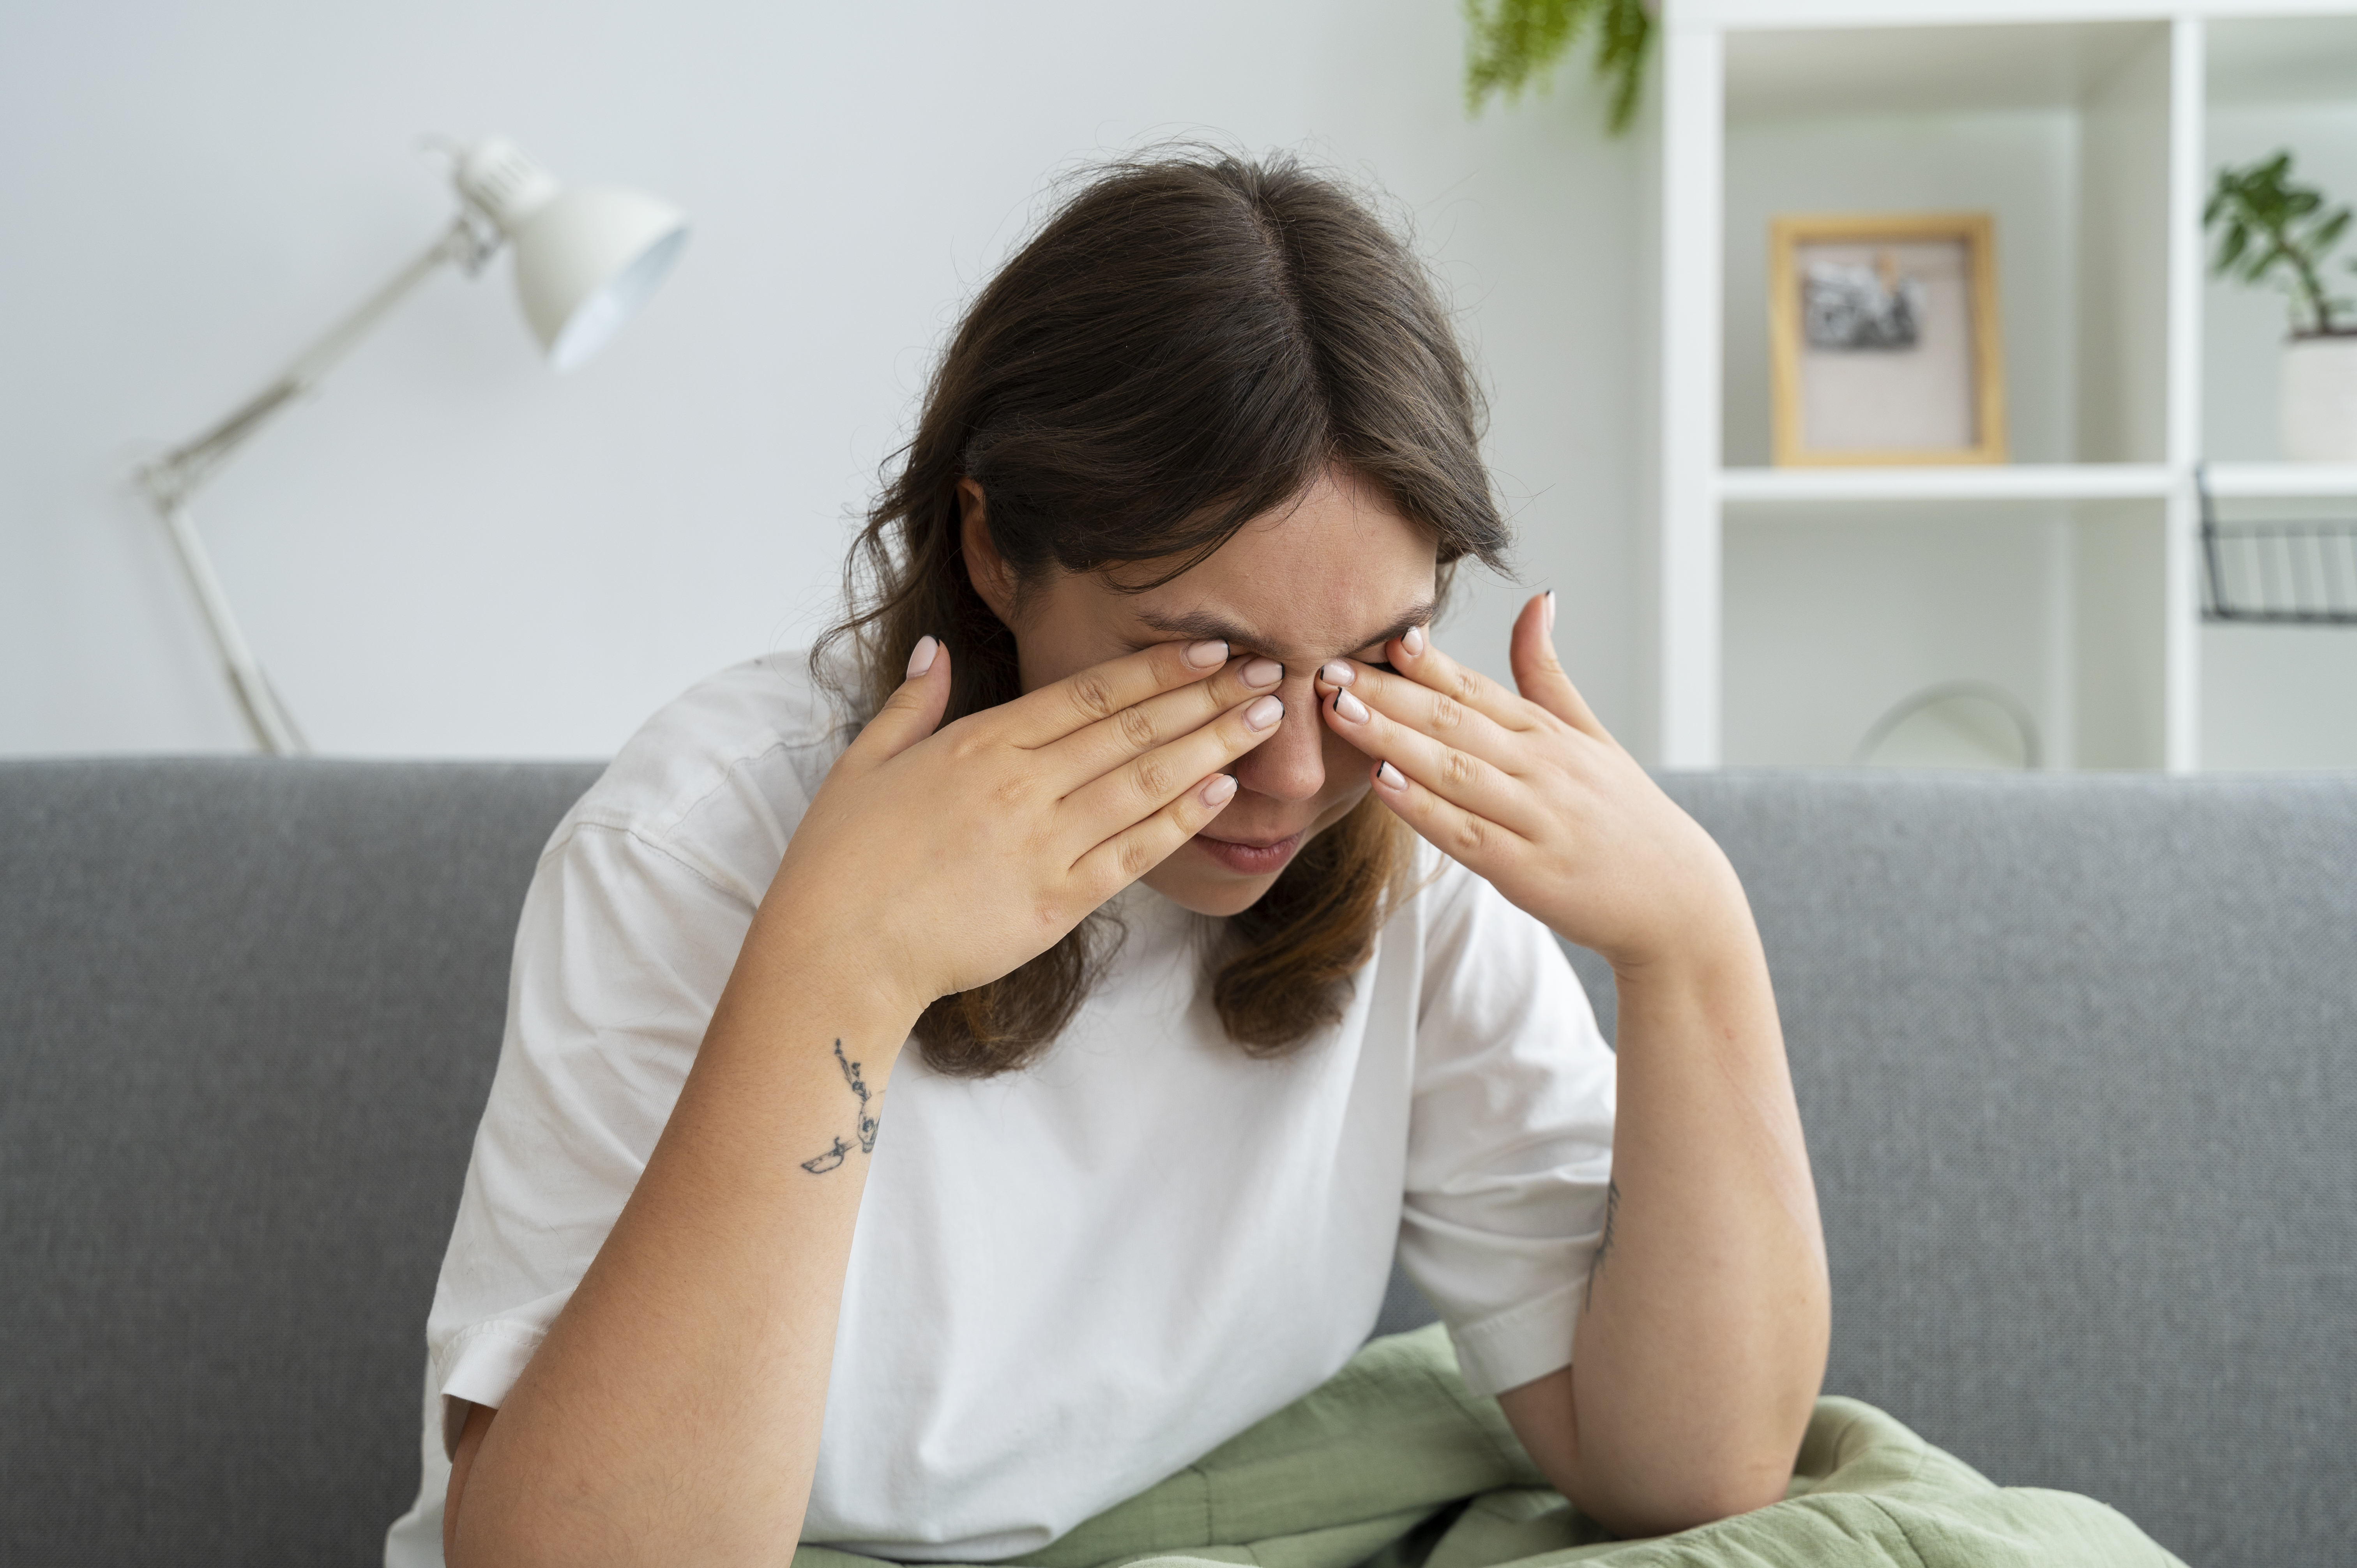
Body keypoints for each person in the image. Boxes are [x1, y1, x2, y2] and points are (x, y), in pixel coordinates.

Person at [384, 150, 1829, 1568]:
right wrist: (842, 964)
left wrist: (1693, 943)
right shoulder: (696, 842)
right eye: (1209, 665)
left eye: (1371, 656)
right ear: (999, 549)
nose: (1296, 772)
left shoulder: (1403, 834)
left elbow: (1689, 1470)